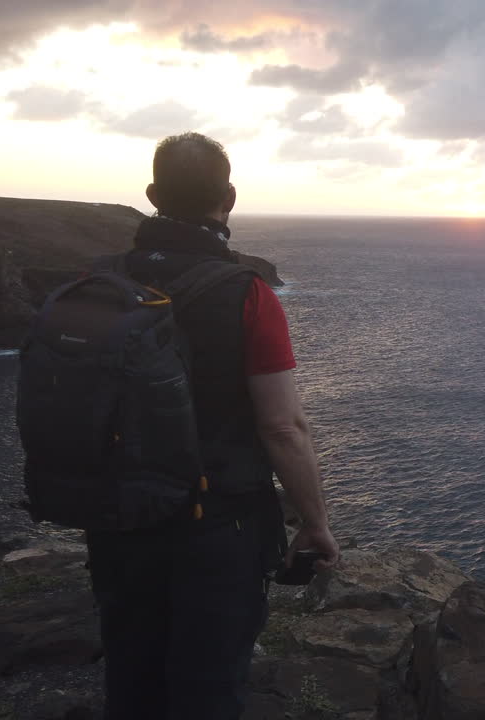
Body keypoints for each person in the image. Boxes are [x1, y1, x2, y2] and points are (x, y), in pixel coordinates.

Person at [85, 132, 341, 719]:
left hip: (116, 514)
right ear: (228, 197)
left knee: (131, 670)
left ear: (151, 194)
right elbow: (283, 428)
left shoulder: (100, 280)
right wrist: (316, 524)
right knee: (208, 683)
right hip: (216, 525)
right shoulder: (247, 294)